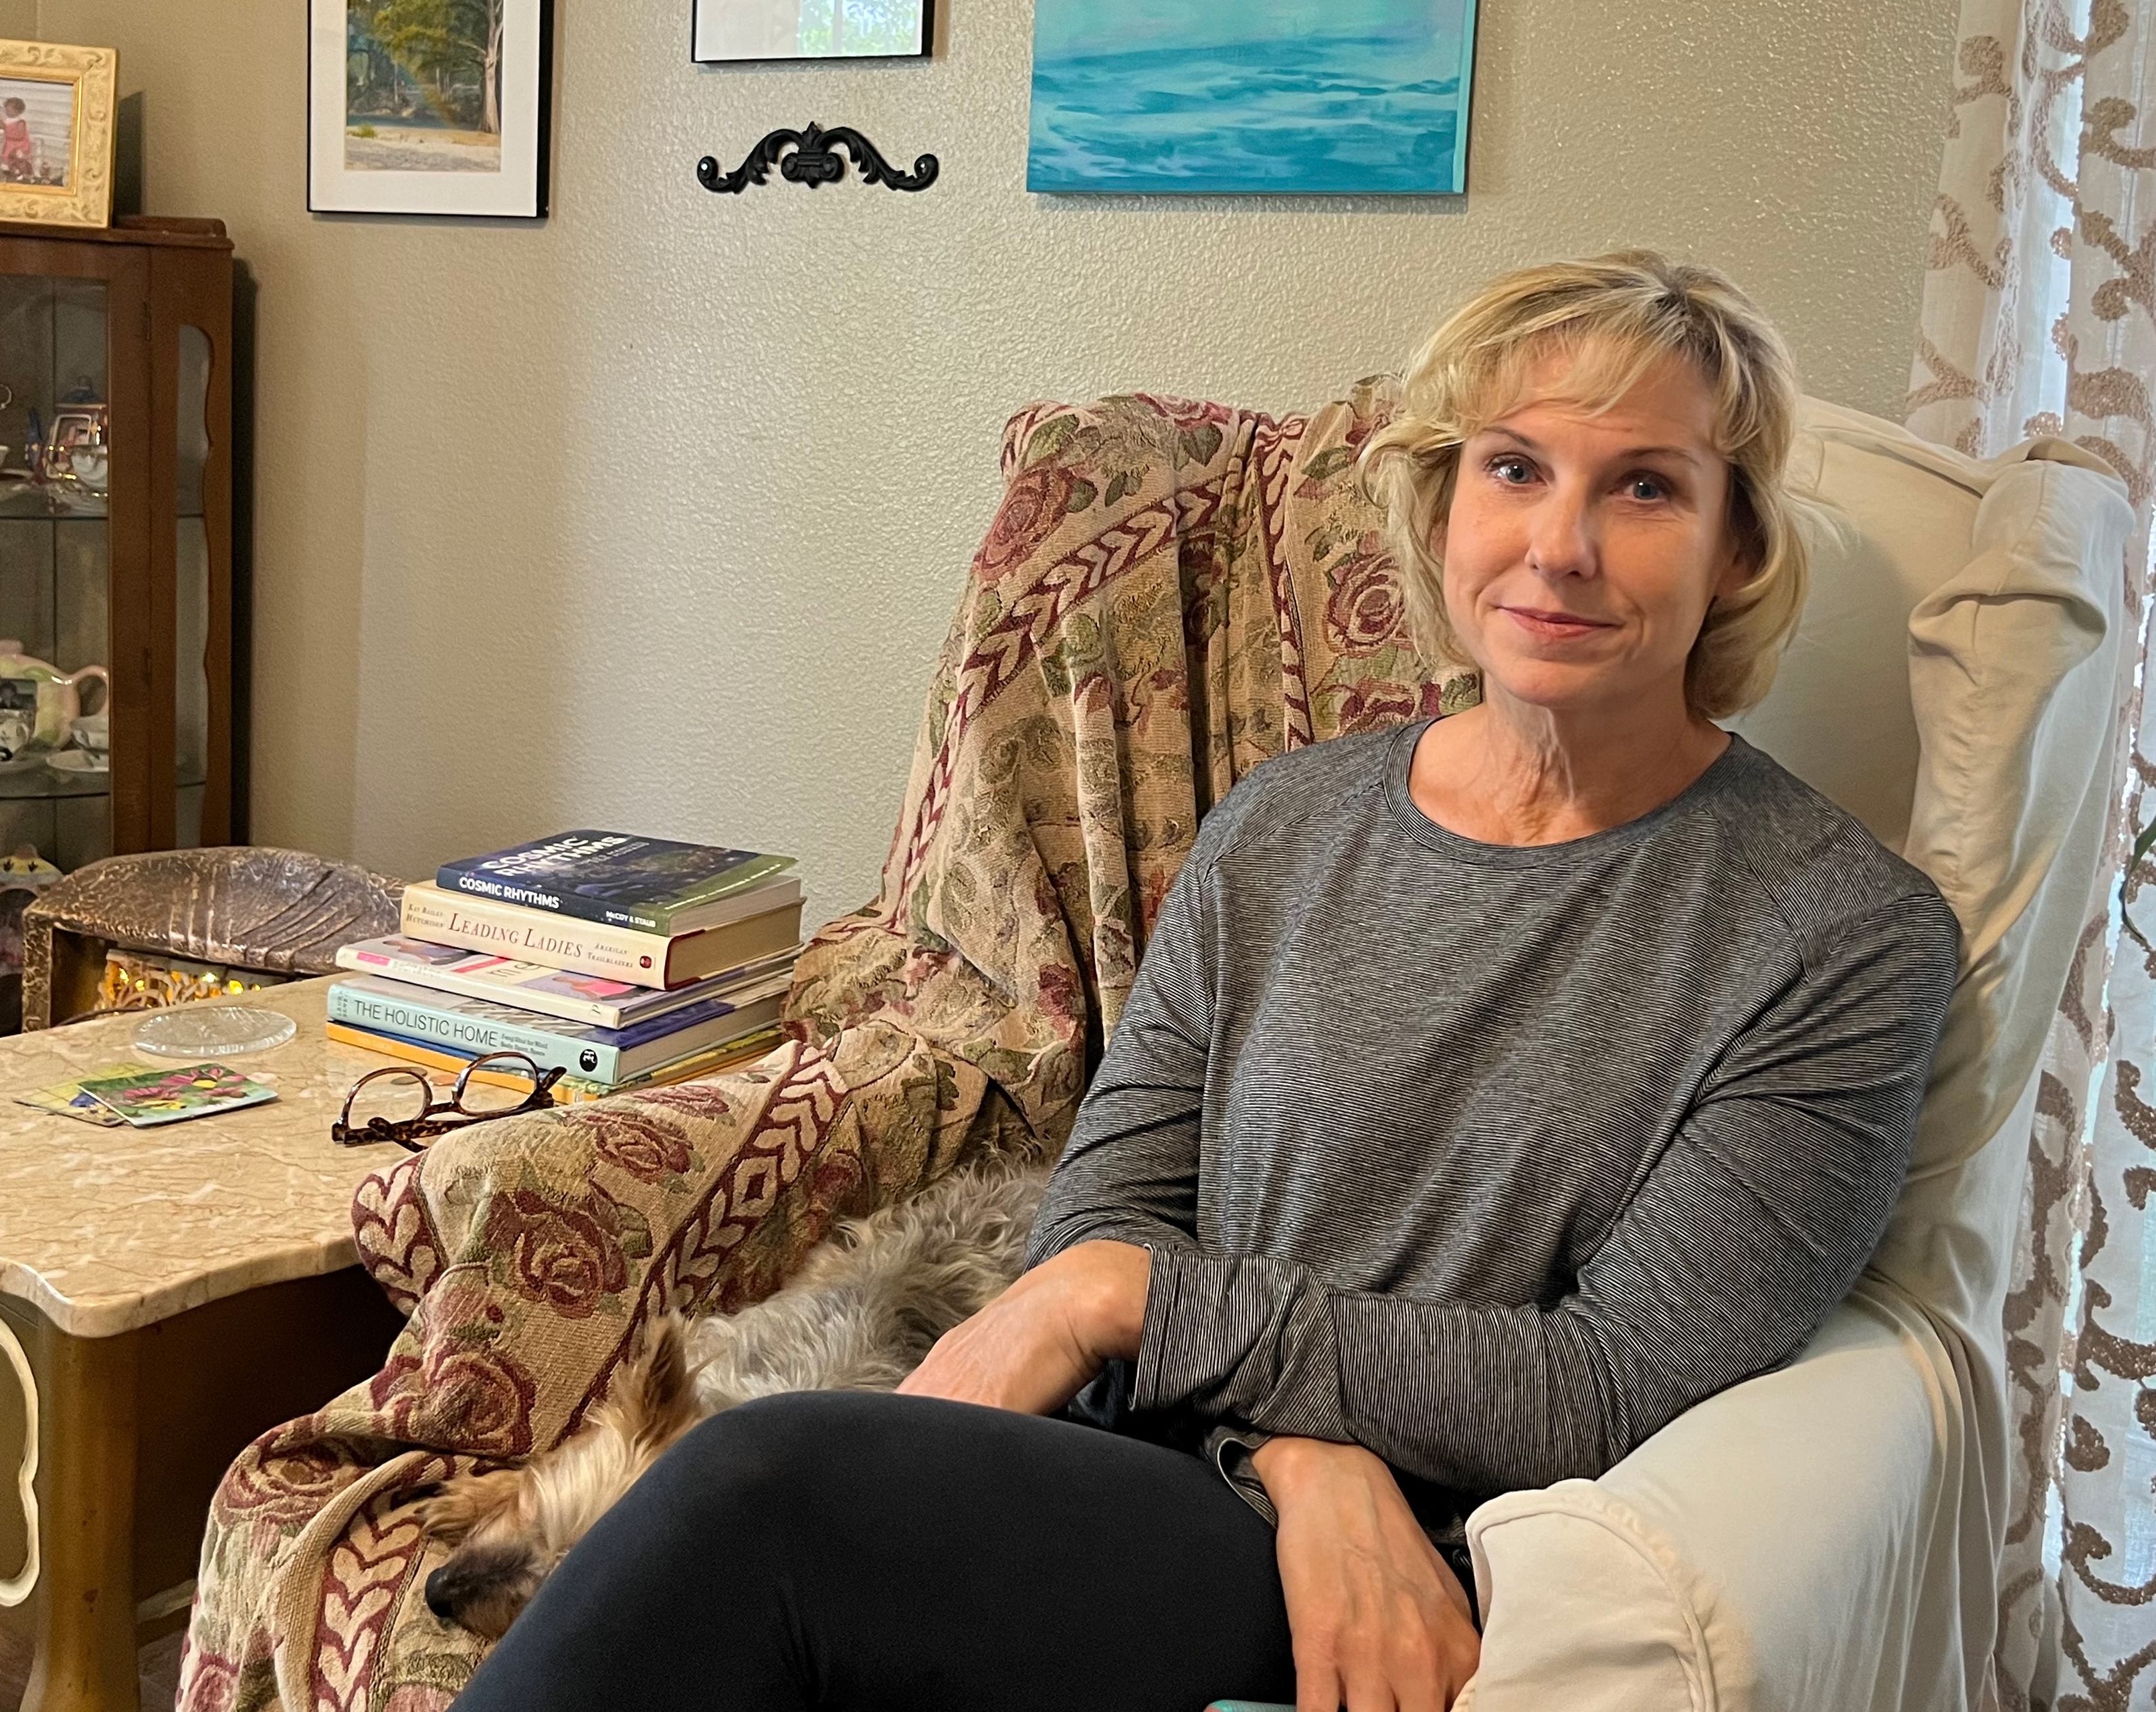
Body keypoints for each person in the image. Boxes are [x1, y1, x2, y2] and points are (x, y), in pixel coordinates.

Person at [452, 252, 1962, 1712]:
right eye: (1513, 468)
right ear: (1440, 506)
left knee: (756, 1483)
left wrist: (1132, 1297)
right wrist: (1304, 1457)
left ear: (1738, 546)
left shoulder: (1837, 935)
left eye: (1644, 486)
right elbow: (1105, 1202)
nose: (1559, 543)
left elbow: (1602, 1382)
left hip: (1439, 1563)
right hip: (1190, 1468)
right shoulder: (1287, 823)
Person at [0, 97, 31, 179]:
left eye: (9, 110)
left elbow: (20, 136)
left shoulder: (20, 122)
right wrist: (1, 129)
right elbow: (3, 130)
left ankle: (19, 174)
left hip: (19, 145)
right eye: (6, 110)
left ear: (17, 111)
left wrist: (6, 133)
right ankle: (8, 172)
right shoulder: (7, 121)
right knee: (6, 157)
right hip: (9, 144)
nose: (7, 112)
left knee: (15, 158)